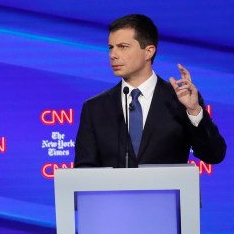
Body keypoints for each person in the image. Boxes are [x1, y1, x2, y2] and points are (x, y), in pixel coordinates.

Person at [74, 13, 226, 168]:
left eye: (123, 47)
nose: (113, 55)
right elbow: (84, 169)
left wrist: (194, 111)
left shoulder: (180, 100)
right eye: (111, 47)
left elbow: (214, 155)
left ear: (149, 51)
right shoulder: (95, 108)